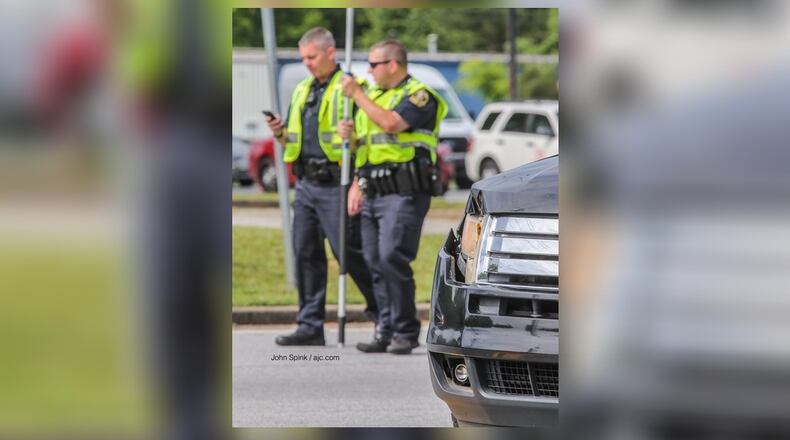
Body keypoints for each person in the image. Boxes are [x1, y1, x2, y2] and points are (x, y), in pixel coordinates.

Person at [265, 27, 378, 346]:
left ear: (331, 53)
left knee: (348, 253)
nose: (307, 64)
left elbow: (364, 138)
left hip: (336, 182)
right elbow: (295, 138)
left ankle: (384, 315)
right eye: (303, 58)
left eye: (312, 57)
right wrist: (280, 133)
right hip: (306, 184)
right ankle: (310, 324)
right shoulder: (302, 89)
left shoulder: (352, 88)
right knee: (306, 252)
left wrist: (358, 179)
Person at [338, 39, 448, 355]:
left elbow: (392, 124)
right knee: (373, 260)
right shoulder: (373, 97)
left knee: (391, 257)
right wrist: (357, 180)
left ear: (393, 65)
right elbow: (368, 148)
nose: (368, 71)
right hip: (373, 189)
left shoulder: (419, 96)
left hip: (404, 192)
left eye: (373, 65)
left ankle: (405, 329)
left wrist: (357, 95)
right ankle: (384, 328)